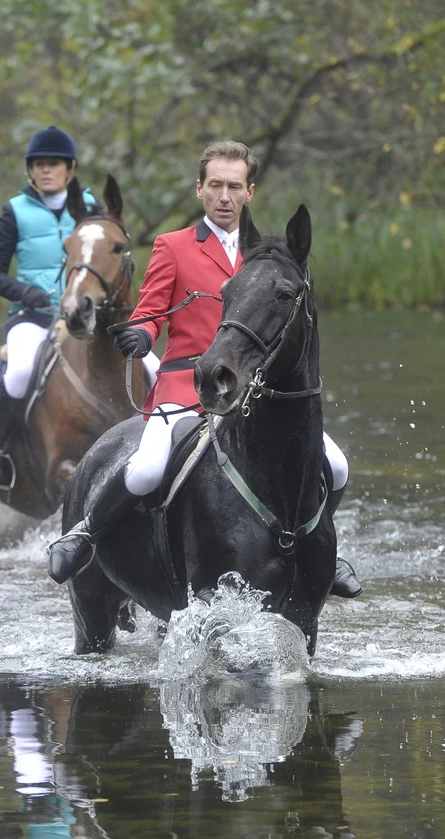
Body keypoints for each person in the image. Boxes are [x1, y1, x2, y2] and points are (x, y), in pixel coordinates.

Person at [48, 140, 361, 599]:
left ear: (249, 191)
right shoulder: (172, 246)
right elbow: (150, 309)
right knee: (145, 471)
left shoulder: (267, 254)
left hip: (254, 392)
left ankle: (321, 550)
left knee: (335, 464)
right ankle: (86, 533)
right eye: (215, 185)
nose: (224, 196)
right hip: (186, 385)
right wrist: (142, 333)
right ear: (200, 189)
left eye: (235, 186)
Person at [0, 125, 101, 490]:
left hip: (83, 317)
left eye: (54, 164)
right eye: (39, 164)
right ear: (29, 170)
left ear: (70, 169)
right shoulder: (14, 211)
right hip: (33, 317)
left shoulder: (91, 207)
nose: (46, 170)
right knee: (19, 372)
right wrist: (23, 291)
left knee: (147, 364)